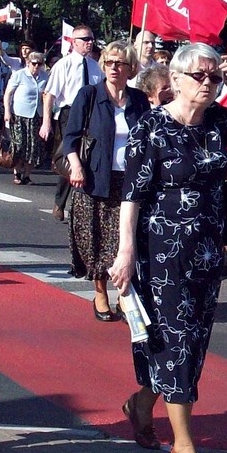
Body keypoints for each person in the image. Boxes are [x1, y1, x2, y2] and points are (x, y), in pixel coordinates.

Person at [109, 43, 227, 453]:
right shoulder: (151, 128)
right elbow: (132, 196)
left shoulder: (218, 121)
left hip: (208, 250)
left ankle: (142, 404)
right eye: (200, 77)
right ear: (177, 79)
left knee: (193, 344)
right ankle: (183, 448)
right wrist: (125, 253)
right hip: (161, 250)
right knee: (178, 343)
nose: (209, 84)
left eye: (215, 78)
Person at [64, 41, 149, 321]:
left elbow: (148, 138)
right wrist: (76, 166)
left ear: (130, 68)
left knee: (123, 243)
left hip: (128, 182)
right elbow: (71, 138)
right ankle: (100, 293)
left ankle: (125, 297)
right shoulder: (89, 95)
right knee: (96, 242)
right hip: (94, 181)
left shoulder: (138, 100)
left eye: (120, 63)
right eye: (110, 62)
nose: (114, 67)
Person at [42, 25, 105, 222]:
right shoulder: (64, 65)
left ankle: (83, 203)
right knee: (69, 157)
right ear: (74, 42)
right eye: (85, 39)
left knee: (90, 156)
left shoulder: (95, 66)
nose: (89, 43)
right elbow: (50, 95)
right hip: (69, 114)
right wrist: (46, 122)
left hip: (92, 113)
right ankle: (59, 202)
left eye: (91, 39)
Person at [3, 50, 48, 185]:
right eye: (34, 63)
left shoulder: (45, 77)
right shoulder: (19, 75)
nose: (36, 67)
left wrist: (46, 118)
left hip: (35, 116)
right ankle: (17, 172)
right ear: (28, 63)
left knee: (33, 146)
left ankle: (27, 175)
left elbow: (47, 97)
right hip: (19, 115)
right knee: (19, 144)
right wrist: (7, 111)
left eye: (39, 64)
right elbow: (8, 94)